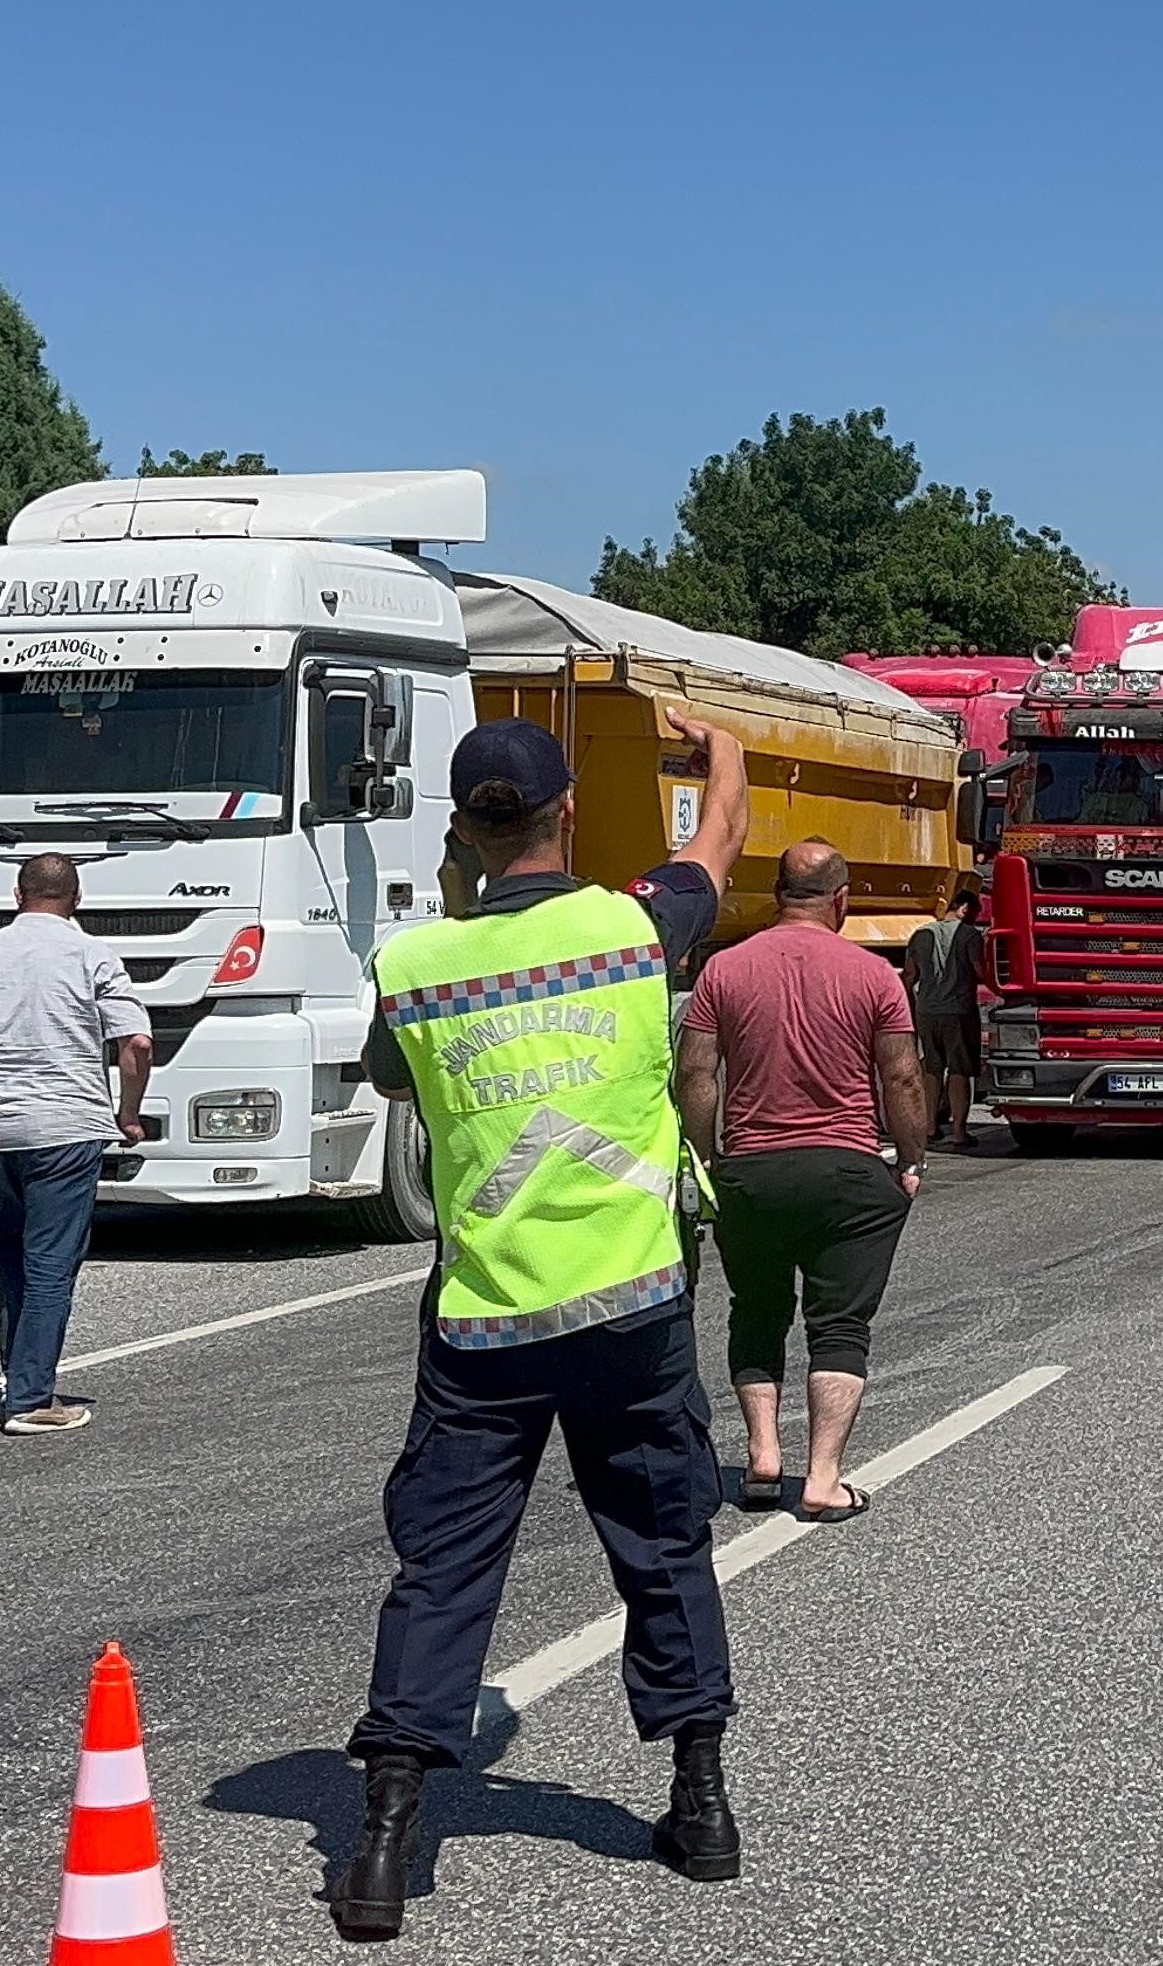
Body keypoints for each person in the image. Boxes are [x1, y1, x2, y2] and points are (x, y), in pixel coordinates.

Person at [334, 711, 753, 1935]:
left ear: (464, 827)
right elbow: (723, 833)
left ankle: (385, 1841)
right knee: (662, 1541)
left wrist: (460, 901)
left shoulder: (416, 966)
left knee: (448, 1563)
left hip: (487, 1324)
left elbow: (395, 1078)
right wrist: (715, 746)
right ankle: (701, 1800)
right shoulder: (636, 927)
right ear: (569, 811)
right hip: (632, 1305)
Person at [677, 842, 925, 1523]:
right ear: (840, 900)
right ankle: (822, 1478)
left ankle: (761, 1457)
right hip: (844, 1169)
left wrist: (705, 1166)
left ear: (778, 894)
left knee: (756, 1311)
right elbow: (900, 1076)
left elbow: (697, 1075)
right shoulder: (873, 975)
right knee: (839, 1323)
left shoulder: (723, 970)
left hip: (751, 1171)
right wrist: (911, 1161)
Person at [0, 852, 149, 1438]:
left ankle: (20, 1374)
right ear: (77, 899)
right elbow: (136, 1042)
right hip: (66, 1128)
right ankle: (31, 1399)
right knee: (52, 1262)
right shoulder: (92, 955)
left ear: (18, 895)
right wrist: (129, 1114)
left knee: (10, 1249)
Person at [903, 882, 986, 1151]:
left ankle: (929, 1127)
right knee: (960, 1070)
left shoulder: (920, 934)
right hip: (959, 1011)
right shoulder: (970, 936)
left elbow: (910, 975)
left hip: (926, 1010)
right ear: (964, 908)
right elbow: (980, 971)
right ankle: (960, 1132)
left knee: (931, 1068)